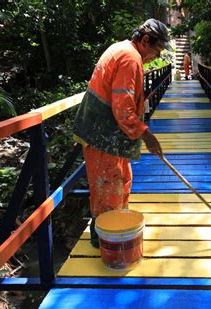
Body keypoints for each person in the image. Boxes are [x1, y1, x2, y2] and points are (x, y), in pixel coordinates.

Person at [73, 19, 171, 248]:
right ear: (145, 41)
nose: (157, 57)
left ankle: (119, 226)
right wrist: (148, 136)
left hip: (106, 133)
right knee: (108, 188)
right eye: (157, 50)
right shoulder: (129, 59)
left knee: (122, 180)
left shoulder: (123, 49)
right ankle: (106, 242)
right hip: (102, 135)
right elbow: (123, 109)